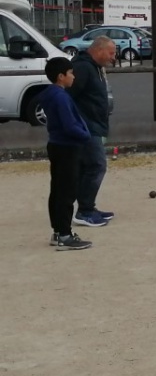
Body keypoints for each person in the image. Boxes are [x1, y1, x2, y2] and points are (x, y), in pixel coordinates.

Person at [39, 57, 93, 251]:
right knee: (66, 192)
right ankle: (64, 235)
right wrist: (85, 135)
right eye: (70, 73)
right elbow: (70, 125)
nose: (73, 76)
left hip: (56, 144)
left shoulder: (49, 94)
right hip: (67, 147)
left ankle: (58, 231)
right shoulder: (60, 97)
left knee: (57, 190)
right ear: (61, 76)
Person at [68, 35, 116, 228]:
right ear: (98, 50)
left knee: (89, 166)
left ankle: (88, 206)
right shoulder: (83, 68)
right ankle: (84, 211)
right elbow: (69, 96)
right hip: (86, 127)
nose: (113, 57)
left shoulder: (95, 68)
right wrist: (76, 124)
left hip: (94, 124)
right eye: (111, 53)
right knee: (96, 166)